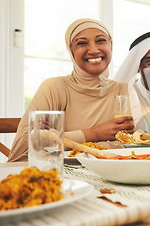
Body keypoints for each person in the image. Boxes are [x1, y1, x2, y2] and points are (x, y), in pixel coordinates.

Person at [8, 18, 133, 162]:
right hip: (62, 179)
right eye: (82, 43)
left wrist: (57, 138)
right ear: (71, 50)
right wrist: (94, 134)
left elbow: (139, 147)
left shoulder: (126, 90)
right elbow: (22, 152)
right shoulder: (54, 88)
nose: (93, 50)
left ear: (111, 46)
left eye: (100, 41)